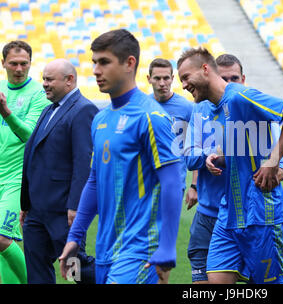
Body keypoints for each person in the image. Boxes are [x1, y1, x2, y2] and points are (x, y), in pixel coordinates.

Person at [58, 29, 183, 284]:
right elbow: (94, 180)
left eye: (104, 62)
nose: (95, 70)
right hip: (105, 248)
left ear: (129, 63)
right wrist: (75, 236)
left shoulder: (151, 117)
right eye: (94, 62)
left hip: (140, 249)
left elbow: (172, 183)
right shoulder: (100, 119)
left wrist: (168, 246)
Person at [178, 47, 283, 284]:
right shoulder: (209, 109)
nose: (184, 85)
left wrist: (273, 161)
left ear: (205, 69)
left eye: (186, 77)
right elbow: (242, 151)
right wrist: (218, 159)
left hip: (263, 213)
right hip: (229, 213)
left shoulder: (240, 96)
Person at [19, 59, 98, 284]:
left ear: (69, 80)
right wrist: (26, 204)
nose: (44, 84)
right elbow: (33, 156)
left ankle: (116, 279)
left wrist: (76, 206)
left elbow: (83, 163)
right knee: (36, 269)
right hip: (36, 211)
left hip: (63, 212)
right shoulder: (48, 109)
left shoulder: (83, 109)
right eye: (43, 78)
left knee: (76, 268)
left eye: (49, 79)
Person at [0, 40, 50, 284]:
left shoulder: (39, 95)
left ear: (30, 64)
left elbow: (30, 136)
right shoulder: (0, 88)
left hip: (17, 179)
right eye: (13, 64)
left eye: (24, 64)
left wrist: (6, 112)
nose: (19, 69)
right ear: (3, 63)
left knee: (1, 238)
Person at [147, 58, 197, 212]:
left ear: (172, 79)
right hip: (146, 185)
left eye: (166, 78)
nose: (162, 83)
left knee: (166, 234)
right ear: (149, 80)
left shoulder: (187, 108)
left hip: (175, 184)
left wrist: (195, 185)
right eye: (157, 78)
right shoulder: (142, 107)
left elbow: (198, 146)